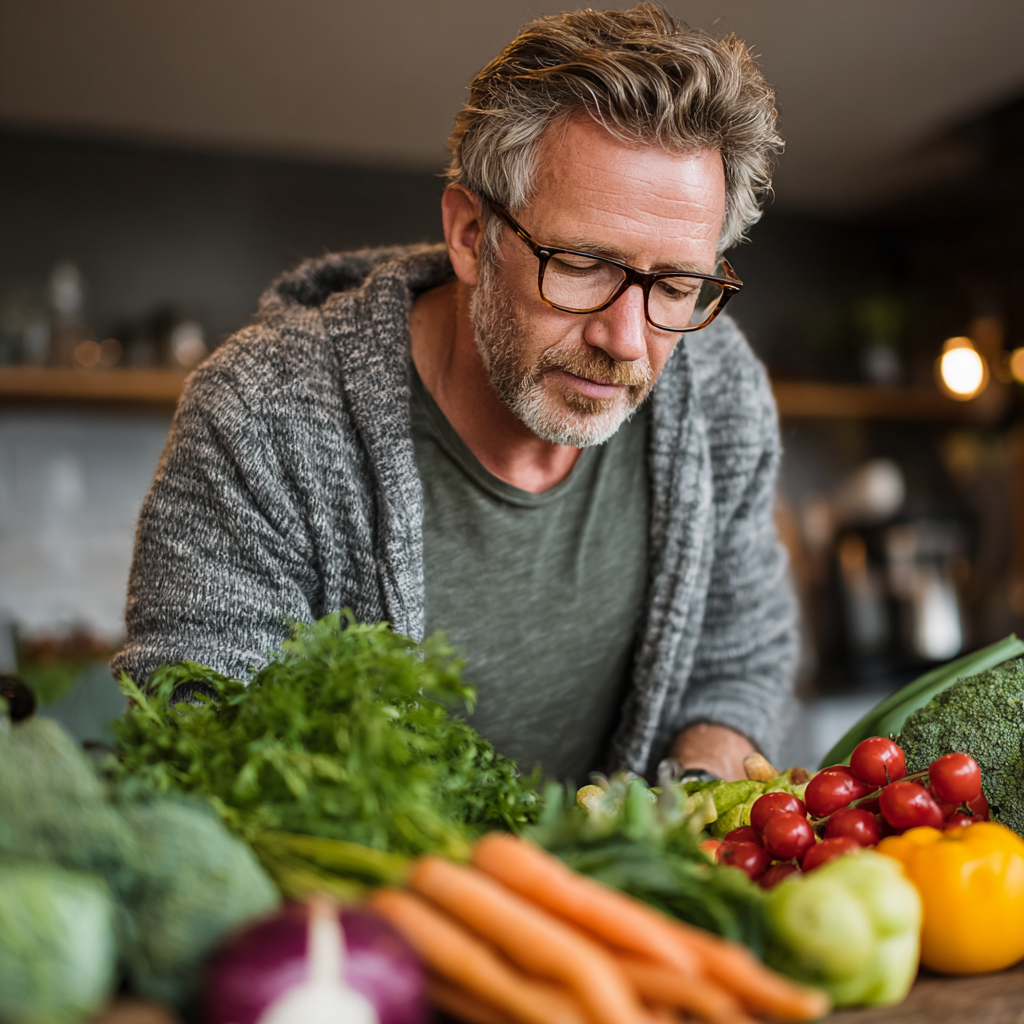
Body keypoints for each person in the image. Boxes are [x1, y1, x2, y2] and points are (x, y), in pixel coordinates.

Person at [112, 3, 796, 784]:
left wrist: (676, 821)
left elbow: (740, 661)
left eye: (674, 285)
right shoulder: (262, 416)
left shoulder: (720, 387)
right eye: (580, 265)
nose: (627, 341)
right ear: (472, 233)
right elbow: (195, 731)